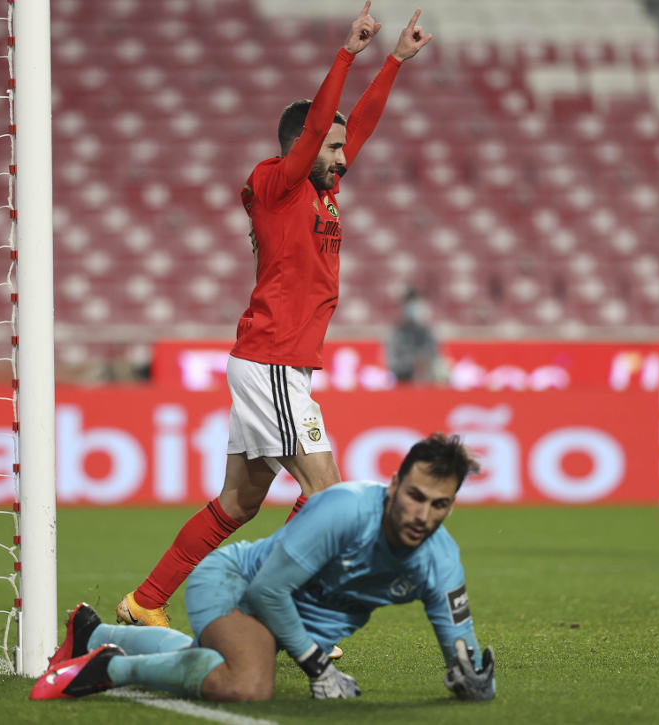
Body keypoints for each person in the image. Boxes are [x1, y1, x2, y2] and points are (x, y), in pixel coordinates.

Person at [116, 3, 434, 628]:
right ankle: (271, 608)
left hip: (275, 365)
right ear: (302, 146)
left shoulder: (320, 187)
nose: (345, 160)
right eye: (333, 149)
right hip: (273, 362)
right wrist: (346, 54)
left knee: (238, 502)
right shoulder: (276, 183)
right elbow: (322, 130)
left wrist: (394, 61)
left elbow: (353, 129)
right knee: (329, 499)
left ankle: (145, 601)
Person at [31, 433, 495, 703]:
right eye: (415, 496)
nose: (423, 515)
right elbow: (270, 590)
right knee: (249, 684)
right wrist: (315, 664)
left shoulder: (440, 560)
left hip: (284, 618)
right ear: (393, 485)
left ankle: (89, 634)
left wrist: (472, 674)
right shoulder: (345, 509)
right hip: (238, 586)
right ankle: (109, 669)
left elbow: (459, 641)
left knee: (207, 658)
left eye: (439, 504)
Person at [387, 288, 442, 383]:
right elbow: (392, 362)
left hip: (427, 385)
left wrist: (426, 364)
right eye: (411, 306)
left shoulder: (427, 334)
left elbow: (436, 358)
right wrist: (412, 364)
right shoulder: (397, 334)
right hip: (404, 383)